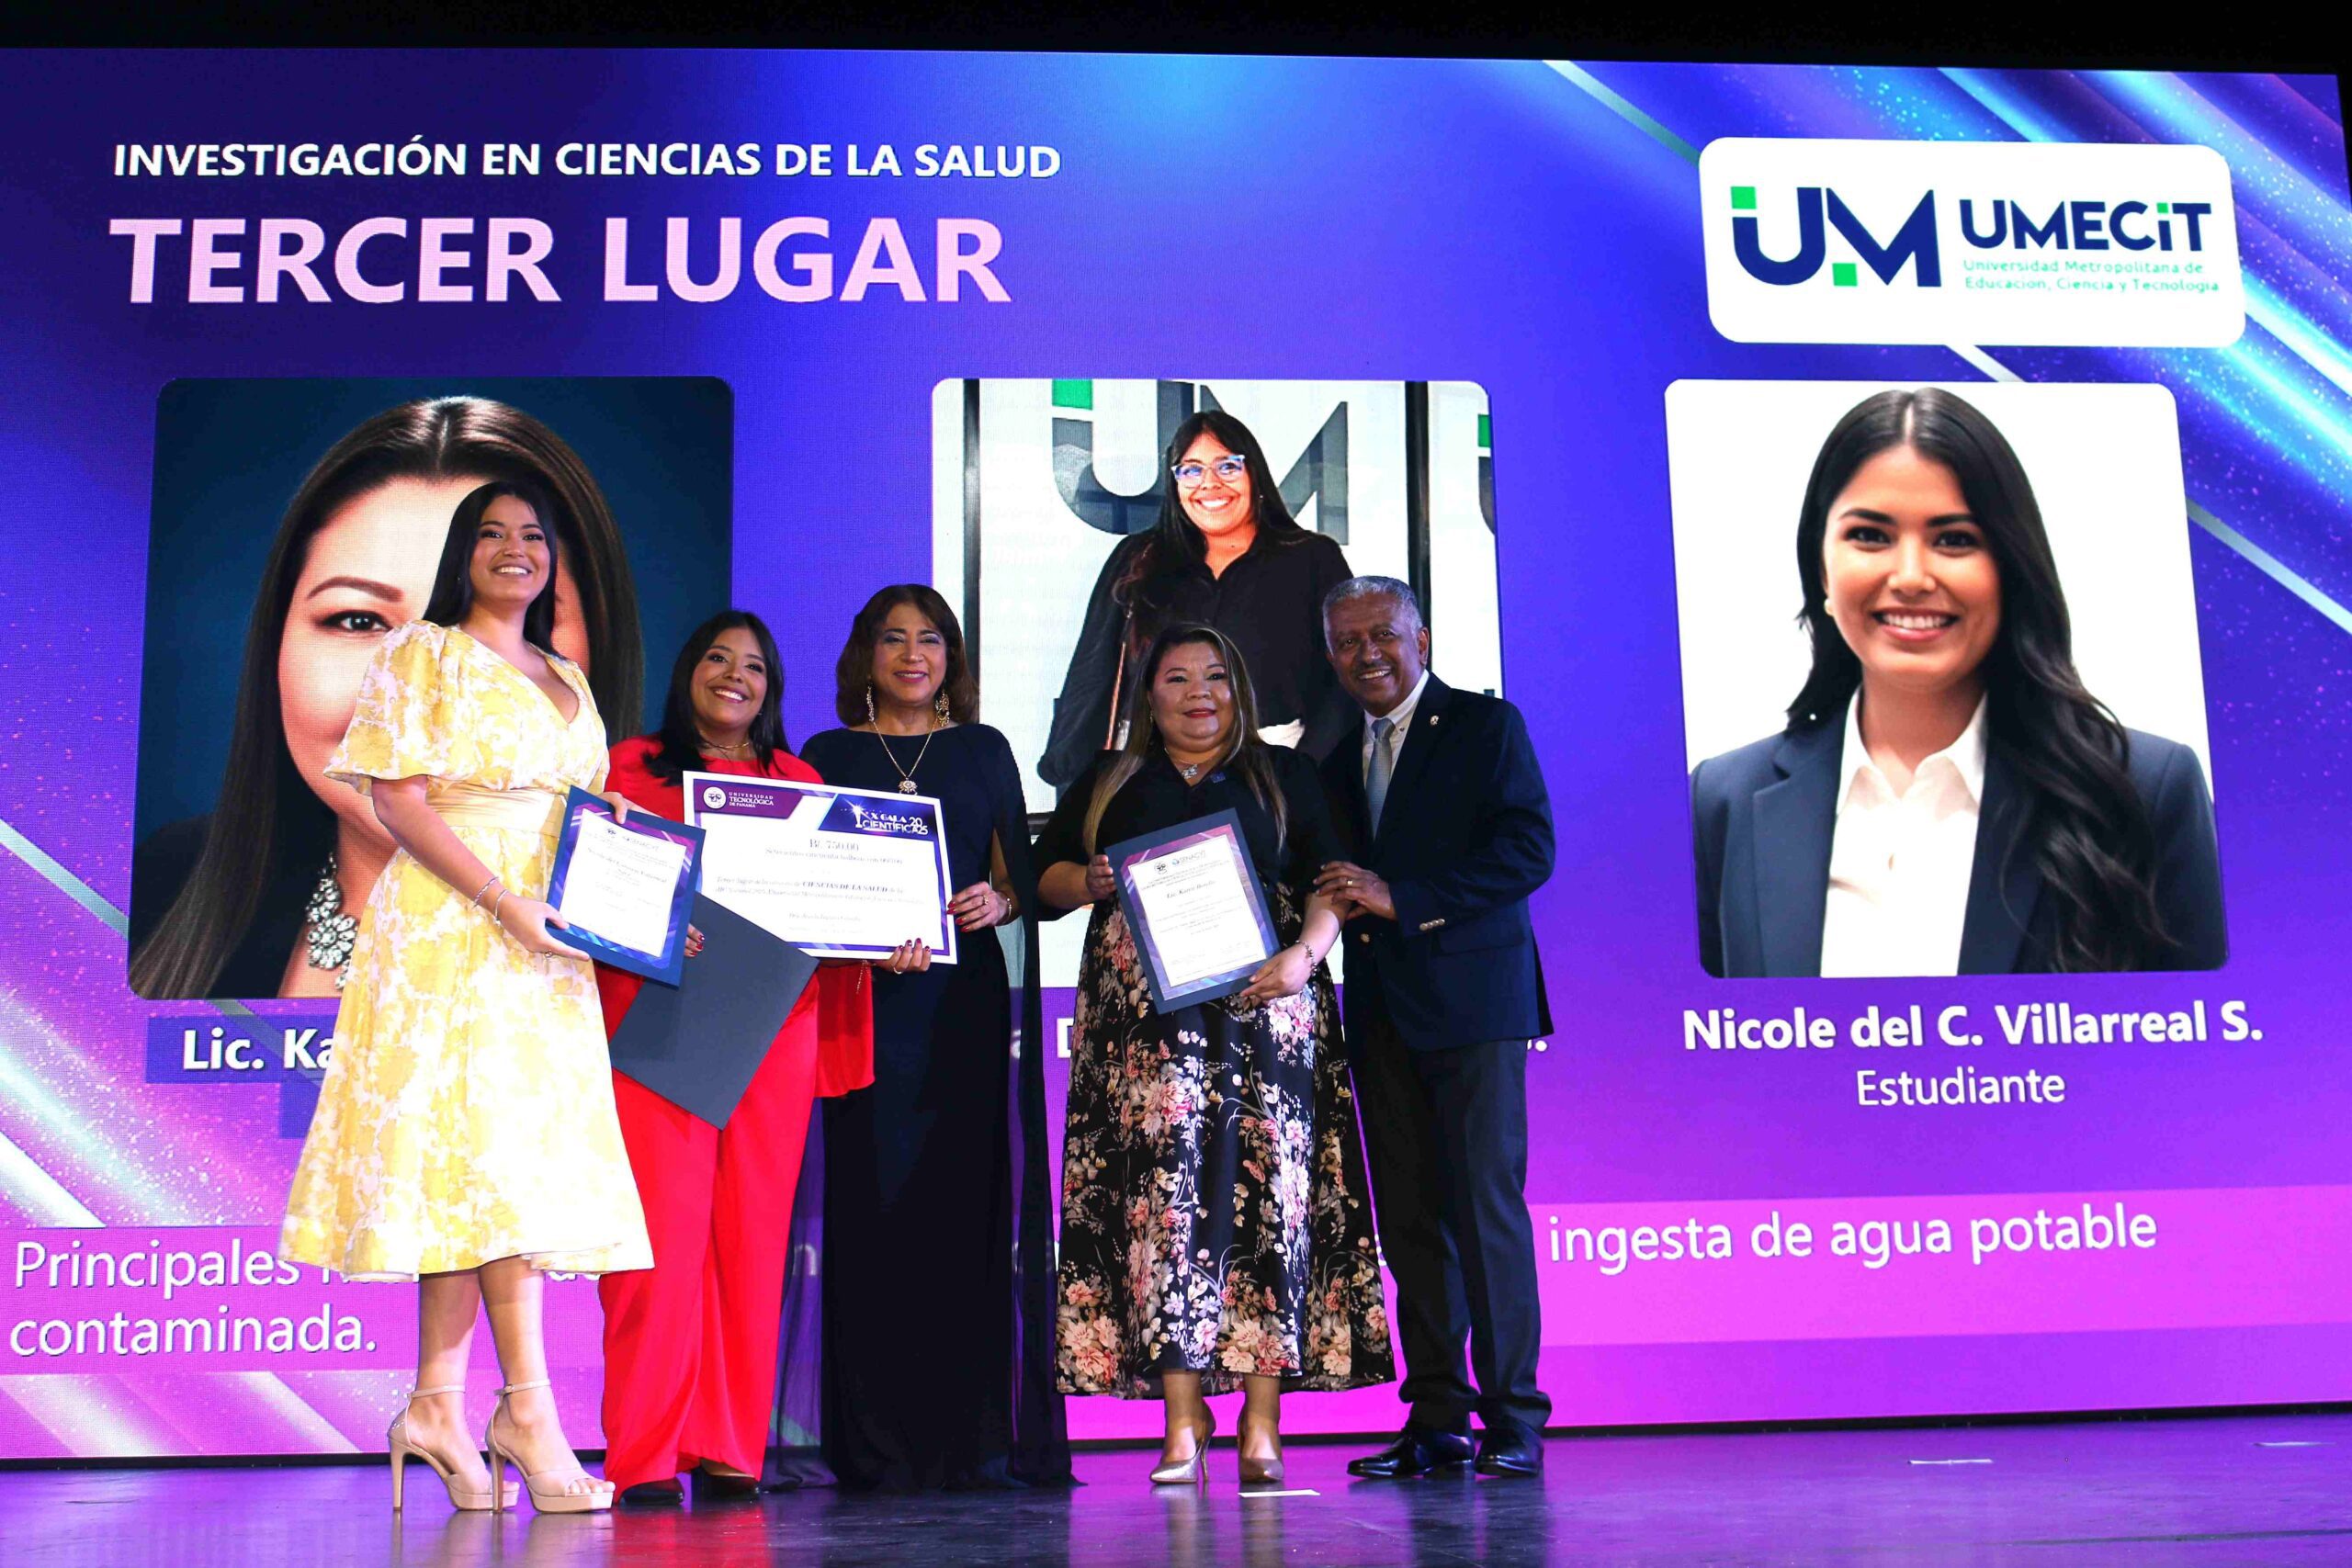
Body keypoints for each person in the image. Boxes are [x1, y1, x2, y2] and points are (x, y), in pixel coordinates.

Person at [278, 479, 651, 1514]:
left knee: (477, 1169)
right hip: (454, 925)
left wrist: (637, 878)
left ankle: (439, 1404)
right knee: (488, 1161)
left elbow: (577, 809)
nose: (514, 549)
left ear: (553, 559)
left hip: (547, 939)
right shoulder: (424, 653)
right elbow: (396, 799)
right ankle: (526, 1411)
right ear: (464, 555)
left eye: (532, 535)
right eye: (491, 533)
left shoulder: (567, 675)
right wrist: (499, 899)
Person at [1690, 387, 2227, 977]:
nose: (1911, 577)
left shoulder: (2143, 794)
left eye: (1954, 540)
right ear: (1821, 566)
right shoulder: (1724, 802)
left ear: (2010, 567)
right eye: (1870, 535)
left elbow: (2213, 1033)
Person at [131, 395, 645, 1000]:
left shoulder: (653, 923)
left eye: (502, 624)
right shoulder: (164, 880)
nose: (420, 686)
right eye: (360, 621)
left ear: (598, 645)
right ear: (276, 640)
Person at [1037, 622, 1391, 1488]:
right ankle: (1181, 1421)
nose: (1199, 693)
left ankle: (1262, 1423)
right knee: (1162, 1211)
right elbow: (1042, 882)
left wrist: (1305, 955)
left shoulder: (1285, 774)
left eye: (1216, 677)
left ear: (1241, 690)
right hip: (1144, 1041)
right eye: (1177, 678)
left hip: (1266, 1017)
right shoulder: (1111, 779)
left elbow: (1333, 882)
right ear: (1147, 695)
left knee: (1267, 1205)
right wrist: (1087, 880)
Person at [593, 611, 877, 1506]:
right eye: (717, 657)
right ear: (688, 671)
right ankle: (644, 1453)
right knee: (656, 1245)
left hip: (774, 1025)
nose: (734, 675)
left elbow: (836, 907)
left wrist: (883, 935)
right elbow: (598, 889)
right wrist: (661, 918)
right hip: (662, 1019)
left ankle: (728, 1448)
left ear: (771, 690)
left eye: (753, 665)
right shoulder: (631, 768)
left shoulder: (800, 781)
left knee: (752, 1243)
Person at [799, 585, 1069, 1490]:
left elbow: (1020, 879)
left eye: (930, 639)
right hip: (865, 1006)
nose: (913, 655)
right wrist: (859, 939)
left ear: (951, 657)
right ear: (864, 657)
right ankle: (873, 1445)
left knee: (962, 1213)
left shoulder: (982, 749)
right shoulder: (828, 754)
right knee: (872, 1211)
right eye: (893, 639)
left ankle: (969, 1441)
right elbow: (805, 888)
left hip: (963, 1009)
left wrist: (1000, 899)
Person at [1314, 575, 1555, 1480]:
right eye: (1346, 641)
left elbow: (1528, 851)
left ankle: (1515, 1417)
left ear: (1422, 640)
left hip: (1477, 1009)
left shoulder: (1487, 726)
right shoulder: (1332, 754)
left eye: (1382, 634)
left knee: (1485, 1213)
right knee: (1410, 1221)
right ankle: (1439, 1419)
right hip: (1380, 1013)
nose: (1366, 654)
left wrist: (1404, 898)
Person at [1039, 410, 1356, 793]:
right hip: (1149, 777)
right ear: (1175, 484)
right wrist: (1076, 778)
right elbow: (1092, 673)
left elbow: (1344, 681)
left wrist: (1302, 772)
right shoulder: (1138, 557)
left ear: (1254, 473)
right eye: (1191, 470)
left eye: (1227, 466)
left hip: (1269, 776)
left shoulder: (1311, 559)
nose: (1210, 483)